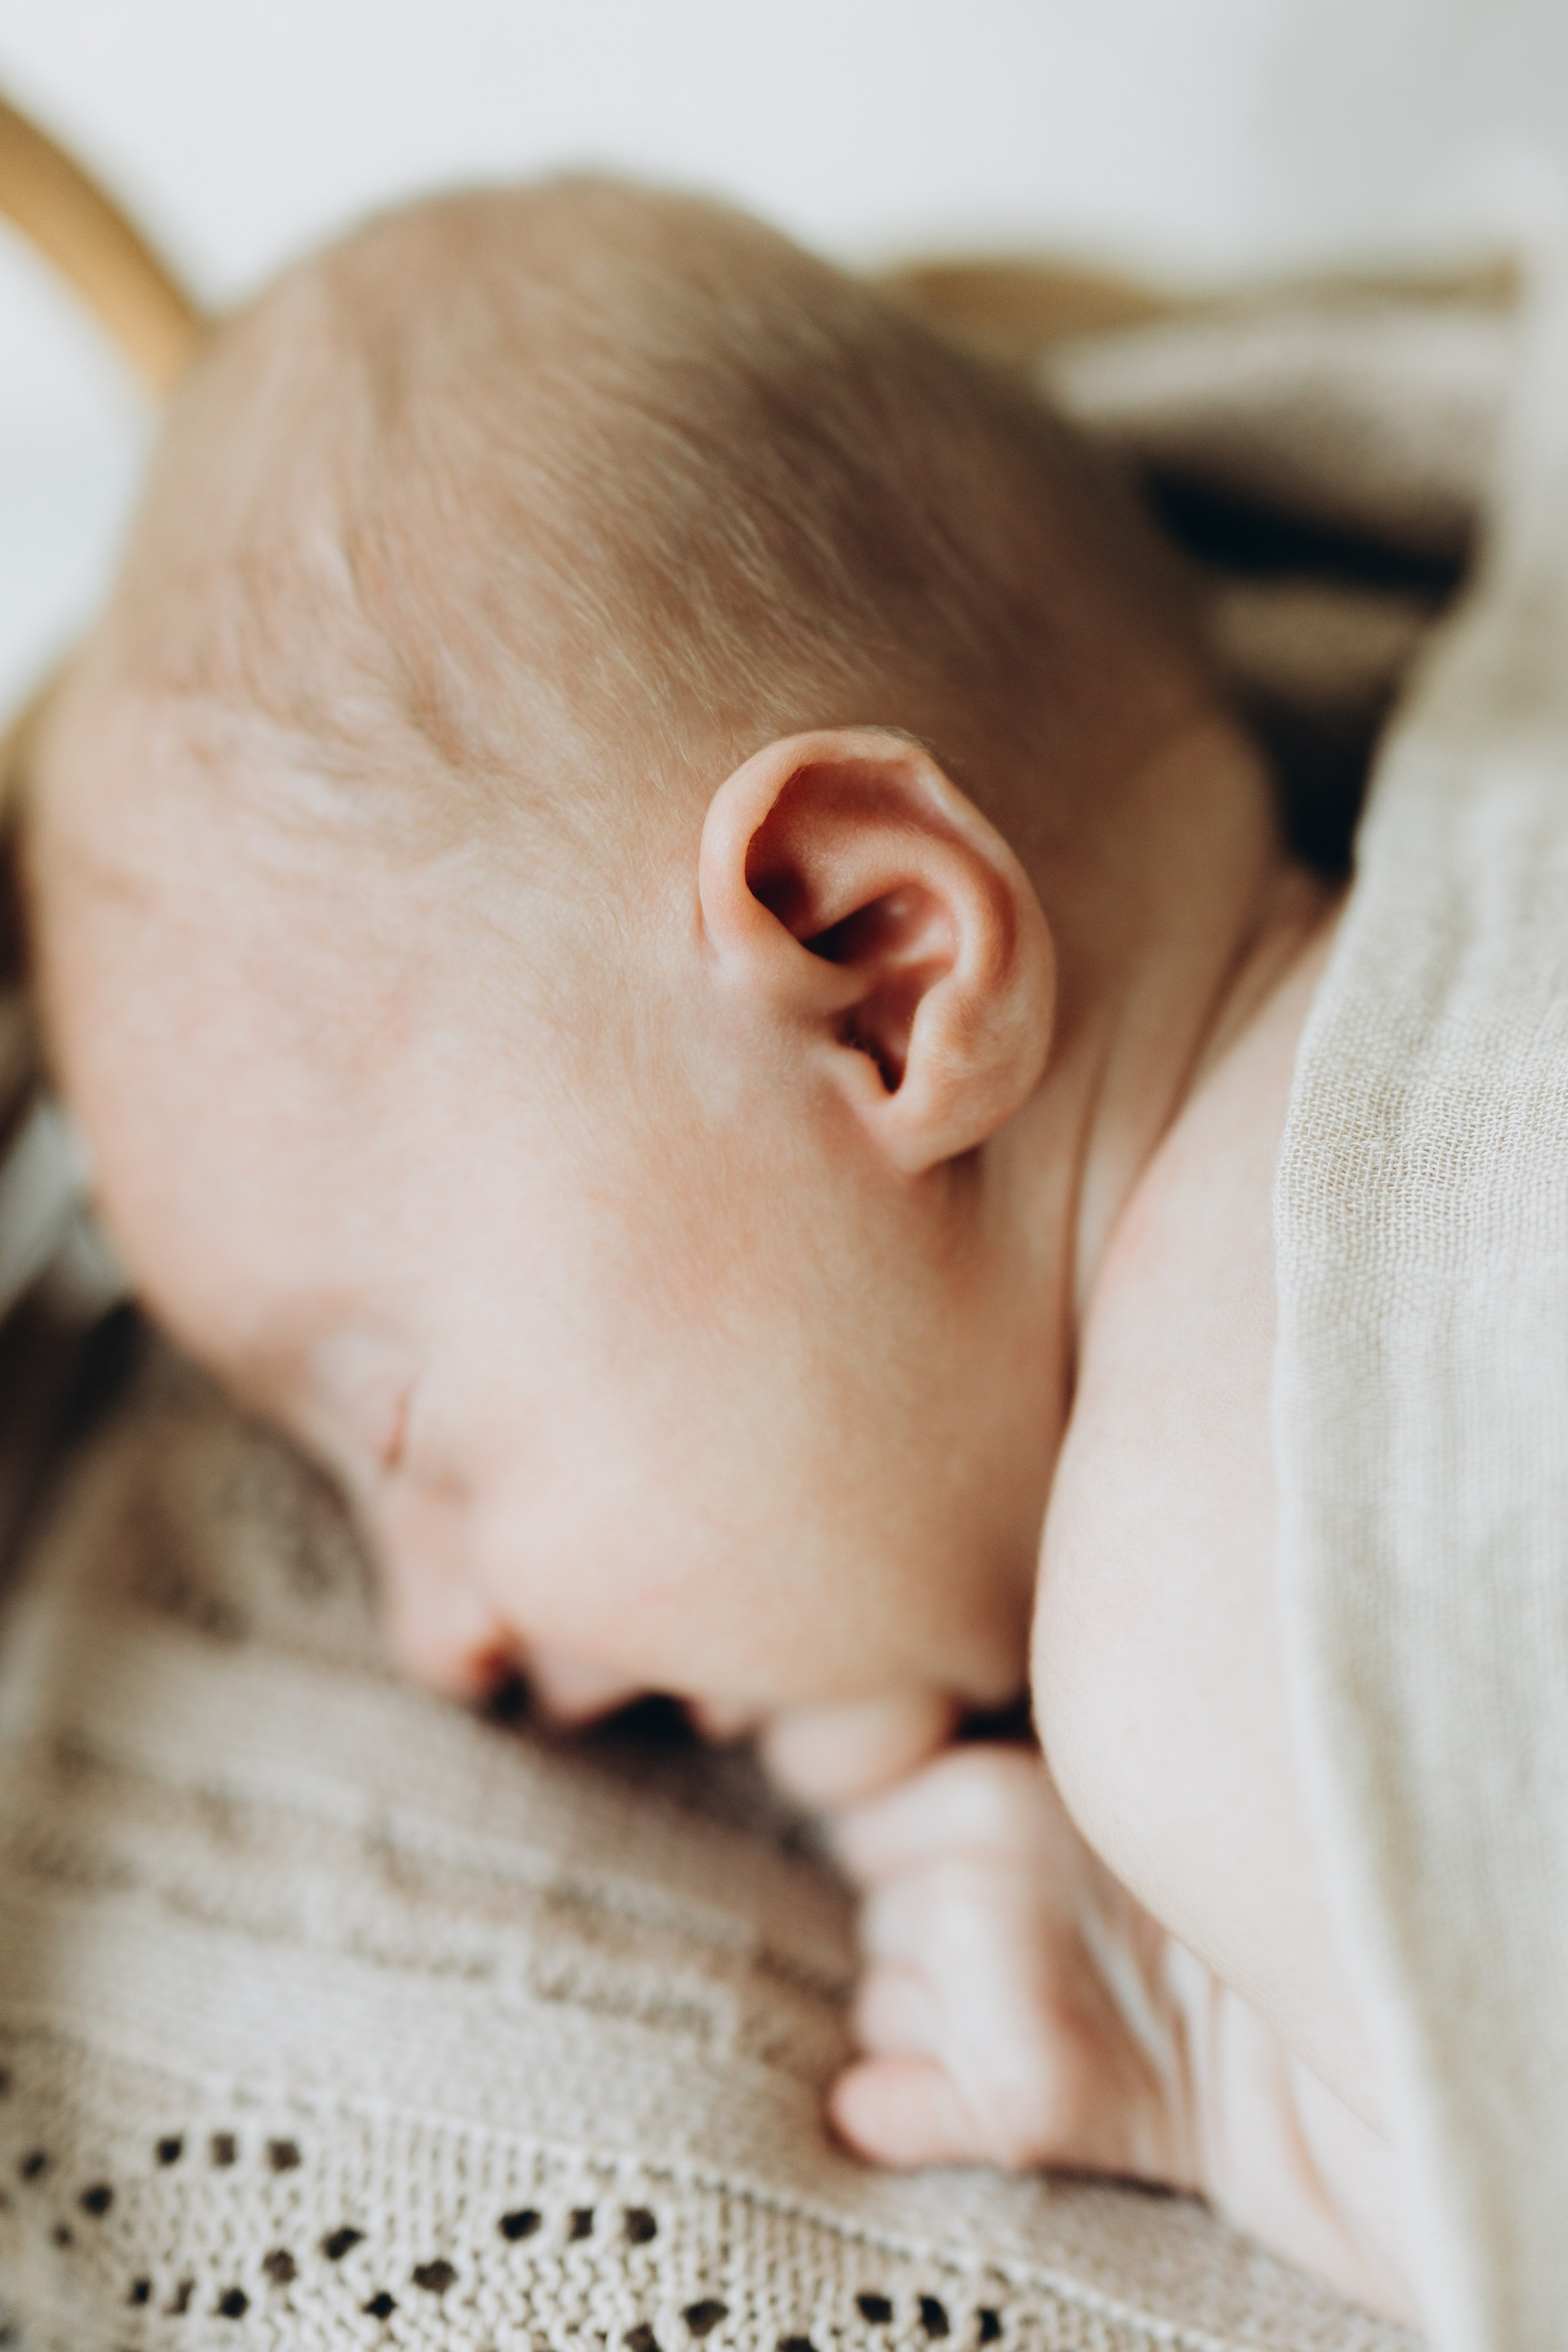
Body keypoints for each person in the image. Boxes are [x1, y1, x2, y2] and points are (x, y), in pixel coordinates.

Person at [18, 178, 1414, 2321]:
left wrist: (1227, 2076)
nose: (441, 1642)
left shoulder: (1204, 1590)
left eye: (400, 1428)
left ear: (873, 976)